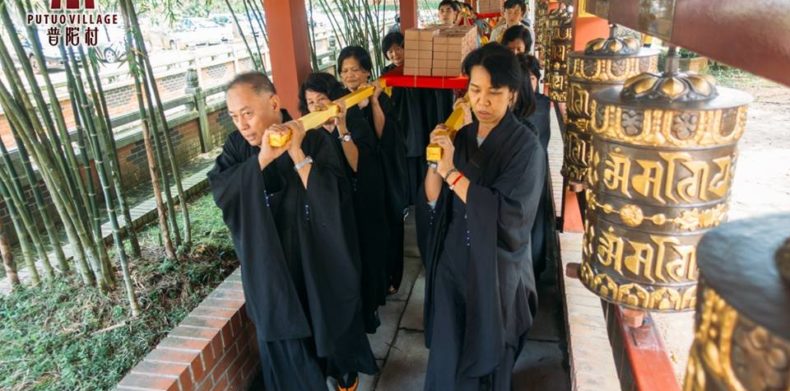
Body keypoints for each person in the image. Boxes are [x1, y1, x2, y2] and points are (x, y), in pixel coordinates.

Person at [208, 72, 377, 391]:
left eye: (247, 113)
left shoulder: (312, 135)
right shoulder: (237, 146)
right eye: (234, 117)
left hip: (315, 251)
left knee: (327, 313)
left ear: (273, 103)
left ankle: (341, 370)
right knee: (285, 329)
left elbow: (334, 197)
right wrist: (261, 159)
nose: (242, 125)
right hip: (271, 259)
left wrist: (296, 151)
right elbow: (222, 192)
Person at [416, 44, 546, 390]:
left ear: (513, 95)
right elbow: (432, 199)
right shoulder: (462, 137)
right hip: (454, 263)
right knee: (447, 358)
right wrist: (436, 161)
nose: (483, 102)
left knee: (487, 364)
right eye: (475, 90)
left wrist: (452, 173)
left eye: (494, 92)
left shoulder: (527, 148)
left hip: (495, 271)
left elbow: (510, 216)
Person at [299, 72, 391, 333]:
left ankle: (368, 311)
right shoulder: (307, 133)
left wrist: (341, 128)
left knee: (365, 258)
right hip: (332, 209)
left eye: (322, 99)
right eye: (310, 102)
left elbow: (358, 164)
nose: (316, 107)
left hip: (359, 203)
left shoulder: (353, 119)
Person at [337, 46, 408, 295]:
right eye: (345, 70)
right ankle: (372, 278)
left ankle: (392, 275)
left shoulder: (380, 96)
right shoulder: (340, 103)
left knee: (391, 222)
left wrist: (374, 102)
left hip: (386, 172)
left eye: (355, 69)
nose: (350, 75)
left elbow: (385, 136)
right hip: (360, 178)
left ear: (367, 71)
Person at [519, 54, 557, 278]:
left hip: (532, 172)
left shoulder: (540, 105)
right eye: (523, 79)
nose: (527, 84)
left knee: (532, 223)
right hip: (522, 173)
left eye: (532, 78)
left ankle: (532, 270)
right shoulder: (518, 105)